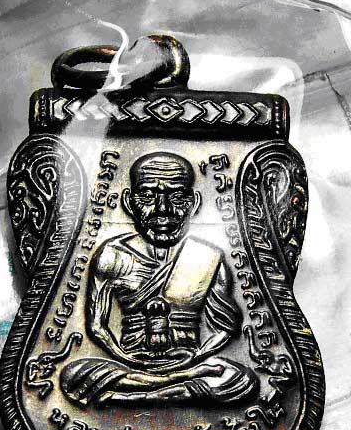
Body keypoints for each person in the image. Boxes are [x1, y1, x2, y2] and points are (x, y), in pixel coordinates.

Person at [60, 152, 258, 407]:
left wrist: (197, 356)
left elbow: (225, 328)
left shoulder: (207, 256)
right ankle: (174, 385)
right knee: (73, 374)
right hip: (131, 361)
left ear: (194, 203)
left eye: (177, 197)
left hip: (187, 359)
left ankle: (142, 394)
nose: (163, 209)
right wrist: (126, 358)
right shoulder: (112, 255)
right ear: (129, 203)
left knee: (242, 380)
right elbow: (97, 326)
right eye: (147, 196)